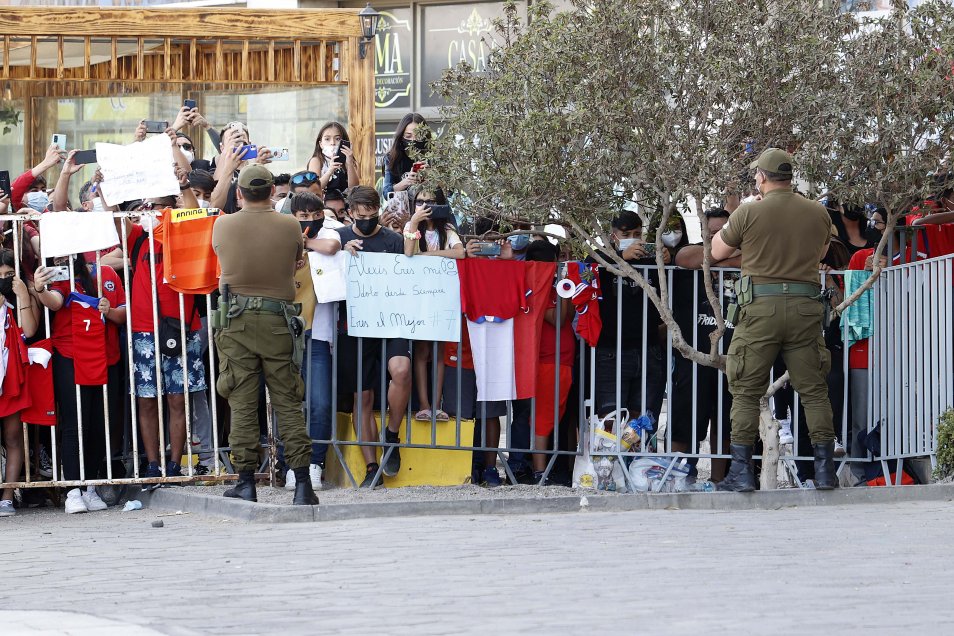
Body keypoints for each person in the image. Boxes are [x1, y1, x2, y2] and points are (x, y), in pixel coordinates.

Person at [711, 148, 836, 491]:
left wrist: (746, 236)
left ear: (762, 178)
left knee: (746, 391)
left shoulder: (750, 212)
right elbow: (821, 253)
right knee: (813, 391)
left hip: (760, 309)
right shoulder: (817, 212)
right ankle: (825, 471)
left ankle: (740, 473)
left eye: (756, 175)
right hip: (805, 307)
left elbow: (717, 251)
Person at [212, 164, 319, 505]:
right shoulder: (290, 225)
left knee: (242, 402)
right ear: (273, 191)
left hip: (237, 322)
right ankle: (303, 484)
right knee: (287, 402)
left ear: (239, 193)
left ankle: (246, 481)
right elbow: (297, 264)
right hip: (278, 321)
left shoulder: (223, 224)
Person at [312, 185, 410, 488]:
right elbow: (308, 251)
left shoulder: (393, 240)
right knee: (362, 397)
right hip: (352, 326)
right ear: (350, 212)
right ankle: (371, 467)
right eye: (361, 215)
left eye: (372, 215)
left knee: (401, 371)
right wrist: (341, 253)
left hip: (391, 322)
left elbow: (412, 271)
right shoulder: (338, 238)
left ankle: (391, 434)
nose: (367, 220)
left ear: (378, 210)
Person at [33, 251, 126, 513]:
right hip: (71, 356)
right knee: (75, 424)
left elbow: (123, 314)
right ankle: (73, 489)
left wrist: (109, 311)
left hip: (105, 356)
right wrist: (40, 289)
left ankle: (90, 487)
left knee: (99, 425)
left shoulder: (106, 273)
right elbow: (55, 301)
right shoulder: (60, 274)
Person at [672, 208, 740, 482]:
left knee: (726, 421)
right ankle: (678, 476)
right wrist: (720, 260)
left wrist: (715, 265)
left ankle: (718, 479)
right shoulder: (696, 250)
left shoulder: (745, 252)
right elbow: (683, 257)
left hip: (732, 354)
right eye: (712, 233)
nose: (717, 236)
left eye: (724, 232)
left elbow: (753, 260)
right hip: (695, 353)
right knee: (685, 417)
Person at [588, 211, 666, 423]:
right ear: (613, 236)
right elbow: (588, 267)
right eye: (626, 234)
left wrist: (666, 258)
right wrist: (621, 258)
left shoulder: (651, 259)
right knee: (609, 419)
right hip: (611, 350)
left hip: (648, 349)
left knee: (641, 419)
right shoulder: (600, 257)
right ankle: (609, 458)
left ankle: (638, 458)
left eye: (637, 233)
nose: (633, 238)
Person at [403, 187, 464, 423]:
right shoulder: (411, 228)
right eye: (420, 201)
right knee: (421, 351)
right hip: (417, 298)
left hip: (441, 296)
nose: (425, 205)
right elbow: (408, 252)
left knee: (439, 352)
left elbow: (459, 253)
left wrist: (426, 257)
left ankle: (437, 404)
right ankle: (424, 405)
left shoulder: (447, 230)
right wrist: (414, 222)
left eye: (431, 201)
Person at [0, 249, 41, 517]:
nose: (4, 279)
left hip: (12, 374)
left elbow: (29, 330)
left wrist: (23, 295)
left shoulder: (25, 294)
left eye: (8, 275)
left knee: (14, 436)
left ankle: (7, 496)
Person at [382, 112, 429, 199]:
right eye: (408, 136)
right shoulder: (392, 158)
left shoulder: (433, 156)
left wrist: (431, 177)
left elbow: (449, 191)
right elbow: (386, 193)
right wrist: (407, 181)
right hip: (403, 209)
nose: (413, 140)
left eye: (418, 136)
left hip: (430, 208)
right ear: (401, 136)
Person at [307, 122, 359, 193]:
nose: (332, 142)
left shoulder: (350, 161)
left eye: (337, 139)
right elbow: (313, 188)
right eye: (327, 139)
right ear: (321, 144)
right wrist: (330, 171)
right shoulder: (316, 161)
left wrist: (349, 164)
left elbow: (354, 188)